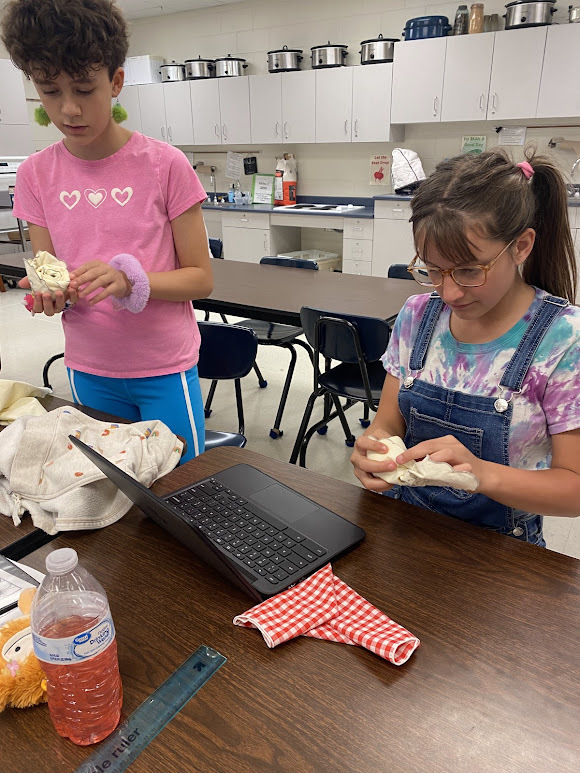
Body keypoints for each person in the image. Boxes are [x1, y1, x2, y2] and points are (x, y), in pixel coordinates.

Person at [1, 0, 213, 463]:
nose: (69, 109)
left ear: (115, 81)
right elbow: (51, 274)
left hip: (163, 367)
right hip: (89, 366)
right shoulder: (37, 174)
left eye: (83, 88)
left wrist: (133, 280)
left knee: (182, 486)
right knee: (108, 486)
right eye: (50, 90)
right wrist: (49, 295)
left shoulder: (165, 165)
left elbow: (201, 278)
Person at [351, 149, 580, 545]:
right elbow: (388, 423)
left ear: (521, 246)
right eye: (433, 270)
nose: (450, 291)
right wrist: (374, 449)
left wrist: (480, 473)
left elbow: (574, 488)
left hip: (499, 555)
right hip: (406, 529)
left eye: (470, 270)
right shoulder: (417, 316)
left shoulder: (563, 340)